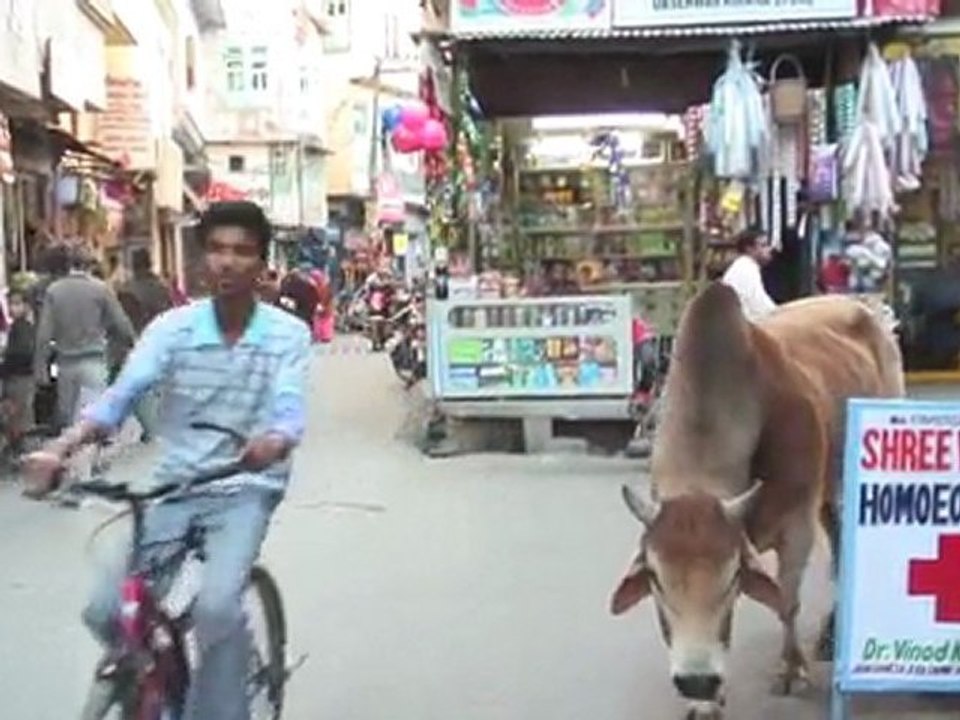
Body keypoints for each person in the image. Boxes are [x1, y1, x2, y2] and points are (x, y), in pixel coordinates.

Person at [22, 201, 311, 720]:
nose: (227, 262)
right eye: (218, 249)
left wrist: (274, 440)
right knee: (107, 609)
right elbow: (122, 394)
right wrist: (61, 448)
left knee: (217, 608)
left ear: (262, 264)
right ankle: (155, 681)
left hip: (245, 487)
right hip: (175, 486)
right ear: (202, 259)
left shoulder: (287, 334)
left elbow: (289, 409)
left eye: (242, 252)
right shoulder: (171, 330)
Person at [34, 247, 136, 432]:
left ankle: (72, 456)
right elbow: (121, 325)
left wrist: (40, 370)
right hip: (94, 361)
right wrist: (132, 344)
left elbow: (43, 335)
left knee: (68, 420)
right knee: (95, 419)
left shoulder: (54, 291)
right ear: (89, 265)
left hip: (65, 365)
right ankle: (93, 458)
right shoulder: (100, 289)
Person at [1, 290, 36, 451]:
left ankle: (22, 452)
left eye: (17, 304)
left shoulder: (21, 327)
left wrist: (4, 368)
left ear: (26, 306)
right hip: (22, 376)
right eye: (10, 305)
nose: (12, 309)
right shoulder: (21, 326)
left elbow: (21, 353)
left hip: (19, 377)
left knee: (18, 417)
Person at [721, 228, 777, 322]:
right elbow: (760, 306)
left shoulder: (744, 266)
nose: (769, 249)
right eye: (763, 245)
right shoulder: (745, 269)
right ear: (749, 249)